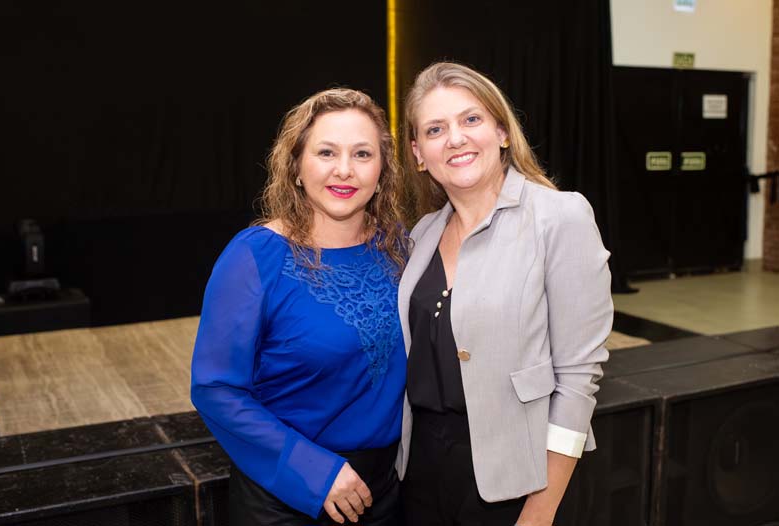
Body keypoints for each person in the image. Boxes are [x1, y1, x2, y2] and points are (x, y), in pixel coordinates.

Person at [396, 62, 613, 526]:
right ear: (418, 154)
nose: (455, 138)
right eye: (435, 129)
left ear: (501, 132)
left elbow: (578, 378)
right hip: (420, 473)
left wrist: (541, 509)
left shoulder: (560, 217)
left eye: (471, 119)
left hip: (518, 481)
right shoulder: (422, 234)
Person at [191, 88, 408, 526]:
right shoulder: (254, 257)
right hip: (287, 497)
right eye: (326, 152)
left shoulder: (401, 248)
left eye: (362, 154)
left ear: (382, 170)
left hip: (386, 492)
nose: (344, 169)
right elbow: (215, 388)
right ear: (295, 166)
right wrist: (316, 473)